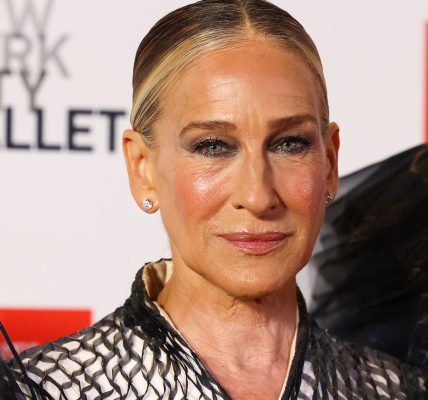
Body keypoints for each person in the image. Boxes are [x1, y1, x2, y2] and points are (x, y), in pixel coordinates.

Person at [8, 0, 427, 399]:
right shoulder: (43, 390)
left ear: (330, 162)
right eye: (212, 146)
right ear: (142, 169)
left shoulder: (398, 391)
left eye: (289, 143)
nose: (257, 195)